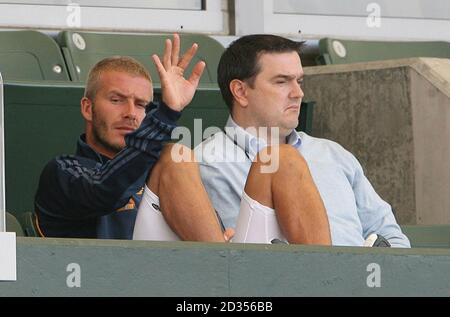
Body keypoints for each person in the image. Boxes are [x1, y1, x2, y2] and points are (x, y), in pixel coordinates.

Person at [193, 34, 410, 247]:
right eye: (281, 82)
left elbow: (392, 237)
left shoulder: (333, 153)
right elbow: (244, 257)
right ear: (240, 91)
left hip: (366, 279)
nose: (298, 93)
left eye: (299, 81)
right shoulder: (211, 163)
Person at [34, 34, 228, 241]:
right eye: (117, 100)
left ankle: (226, 264)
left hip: (177, 270)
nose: (130, 113)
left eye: (141, 105)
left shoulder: (166, 174)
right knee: (174, 155)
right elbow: (103, 190)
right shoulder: (61, 172)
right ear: (88, 108)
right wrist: (167, 113)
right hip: (98, 272)